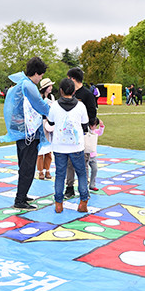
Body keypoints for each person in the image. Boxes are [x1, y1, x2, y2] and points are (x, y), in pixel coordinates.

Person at [0, 57, 51, 210]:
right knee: (28, 167)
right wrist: (52, 111)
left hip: (21, 132)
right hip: (28, 133)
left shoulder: (21, 83)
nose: (41, 78)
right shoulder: (29, 85)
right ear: (35, 73)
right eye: (40, 75)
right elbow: (39, 105)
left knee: (24, 164)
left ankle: (23, 193)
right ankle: (20, 200)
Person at [47, 78, 90, 213]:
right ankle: (83, 201)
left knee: (60, 174)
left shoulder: (54, 106)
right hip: (76, 146)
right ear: (74, 91)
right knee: (81, 173)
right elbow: (85, 125)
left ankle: (58, 204)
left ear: (60, 91)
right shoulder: (81, 106)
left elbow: (51, 122)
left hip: (59, 146)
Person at [64, 67, 97, 199]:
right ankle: (69, 188)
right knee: (69, 163)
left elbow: (93, 114)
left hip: (82, 135)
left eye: (68, 79)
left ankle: (84, 189)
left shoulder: (87, 94)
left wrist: (84, 121)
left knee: (83, 163)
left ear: (73, 79)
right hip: (69, 135)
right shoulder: (68, 93)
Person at [36, 78, 55, 180]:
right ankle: (40, 171)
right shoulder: (39, 97)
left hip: (50, 124)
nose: (51, 87)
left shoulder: (52, 97)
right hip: (40, 123)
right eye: (50, 86)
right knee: (41, 150)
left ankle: (47, 170)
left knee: (49, 150)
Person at [84, 117, 105, 192]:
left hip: (93, 155)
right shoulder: (86, 131)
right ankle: (85, 185)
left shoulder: (95, 132)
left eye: (96, 125)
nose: (94, 127)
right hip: (86, 154)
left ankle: (92, 185)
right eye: (93, 125)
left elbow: (100, 132)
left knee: (95, 169)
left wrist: (101, 125)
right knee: (85, 171)